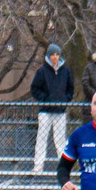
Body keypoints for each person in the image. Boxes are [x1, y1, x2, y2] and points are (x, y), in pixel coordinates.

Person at [29, 43, 72, 173]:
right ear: (48, 55)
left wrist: (64, 100)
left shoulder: (65, 71)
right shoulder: (42, 71)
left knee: (60, 140)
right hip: (45, 111)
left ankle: (63, 167)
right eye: (52, 54)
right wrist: (45, 99)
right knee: (41, 138)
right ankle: (38, 166)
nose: (55, 57)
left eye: (57, 54)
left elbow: (70, 89)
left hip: (60, 111)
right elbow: (34, 88)